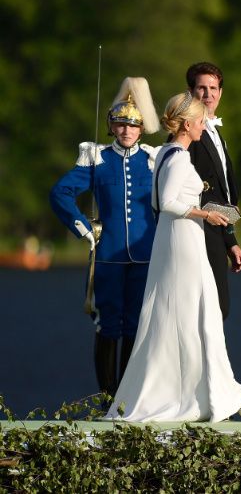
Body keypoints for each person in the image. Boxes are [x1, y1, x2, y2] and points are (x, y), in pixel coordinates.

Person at [106, 92, 241, 422]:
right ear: (187, 124)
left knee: (194, 316)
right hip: (183, 242)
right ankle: (217, 395)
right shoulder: (177, 157)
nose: (205, 126)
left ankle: (218, 393)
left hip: (180, 240)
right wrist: (206, 215)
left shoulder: (166, 153)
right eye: (201, 121)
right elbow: (169, 202)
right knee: (200, 314)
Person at [50, 77, 160, 397]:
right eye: (120, 124)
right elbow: (61, 193)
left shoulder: (153, 160)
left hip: (145, 255)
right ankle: (107, 398)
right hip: (108, 255)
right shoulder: (97, 158)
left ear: (141, 129)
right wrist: (83, 227)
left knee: (136, 327)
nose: (126, 130)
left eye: (133, 125)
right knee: (108, 325)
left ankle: (126, 398)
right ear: (111, 127)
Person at [186, 62, 241, 321]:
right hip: (197, 231)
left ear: (220, 93)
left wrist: (230, 241)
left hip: (216, 231)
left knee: (219, 308)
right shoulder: (186, 135)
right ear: (191, 92)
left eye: (213, 88)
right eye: (201, 88)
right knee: (209, 308)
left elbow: (224, 196)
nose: (208, 94)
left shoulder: (216, 133)